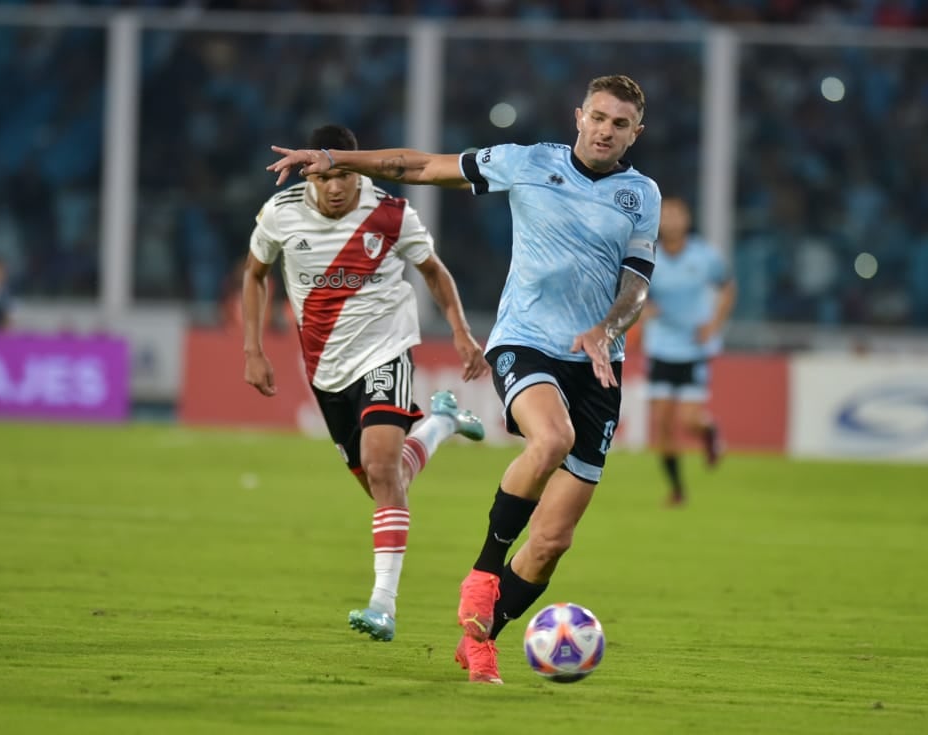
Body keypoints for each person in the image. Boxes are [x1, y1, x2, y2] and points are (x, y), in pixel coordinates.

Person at [267, 74, 662, 684]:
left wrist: (608, 329)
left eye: (620, 124)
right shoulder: (526, 163)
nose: (606, 130)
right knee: (549, 440)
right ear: (578, 116)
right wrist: (336, 158)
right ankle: (483, 572)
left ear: (636, 133)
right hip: (526, 343)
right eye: (599, 117)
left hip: (599, 365)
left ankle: (481, 639)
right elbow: (419, 166)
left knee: (554, 538)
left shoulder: (643, 196)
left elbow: (637, 284)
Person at [244, 124, 489, 643]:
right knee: (386, 481)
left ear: (357, 169)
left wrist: (463, 333)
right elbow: (254, 274)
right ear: (312, 173)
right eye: (326, 177)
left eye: (345, 176)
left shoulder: (391, 214)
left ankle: (383, 605)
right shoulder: (280, 214)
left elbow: (433, 271)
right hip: (325, 372)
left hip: (386, 352)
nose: (336, 188)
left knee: (382, 469)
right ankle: (442, 422)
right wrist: (253, 348)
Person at [640, 196, 736, 506]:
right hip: (660, 347)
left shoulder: (704, 256)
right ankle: (677, 490)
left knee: (689, 421)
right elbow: (634, 292)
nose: (670, 220)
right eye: (665, 215)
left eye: (676, 214)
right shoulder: (648, 254)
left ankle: (709, 432)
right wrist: (644, 308)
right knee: (663, 424)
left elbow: (728, 288)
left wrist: (714, 324)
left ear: (687, 219)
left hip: (694, 348)